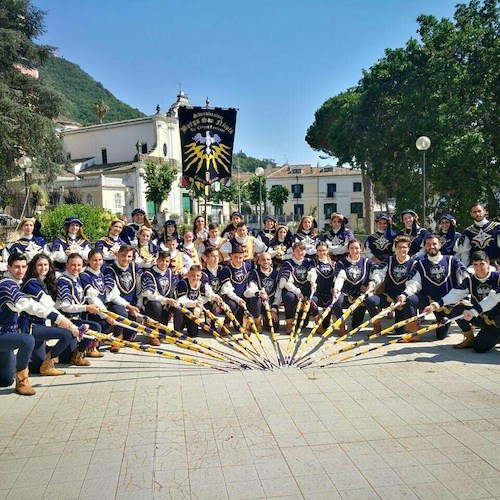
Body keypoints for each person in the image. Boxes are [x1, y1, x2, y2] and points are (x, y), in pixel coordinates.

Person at [0, 253, 78, 395]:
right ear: (8, 268)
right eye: (17, 267)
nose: (21, 270)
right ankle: (22, 382)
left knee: (5, 380)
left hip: (8, 337)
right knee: (27, 340)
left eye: (23, 267)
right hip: (5, 334)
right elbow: (29, 305)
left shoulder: (16, 284)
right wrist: (59, 319)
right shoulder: (7, 285)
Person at [423, 250, 500, 352]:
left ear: (488, 263)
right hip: (483, 317)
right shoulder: (470, 280)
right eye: (475, 264)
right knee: (458, 310)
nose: (479, 268)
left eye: (482, 264)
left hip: (496, 317)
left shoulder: (498, 278)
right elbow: (455, 294)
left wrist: (473, 311)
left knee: (481, 345)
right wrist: (435, 305)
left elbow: (492, 299)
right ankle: (469, 338)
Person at [397, 234, 468, 341]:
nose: (432, 247)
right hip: (428, 302)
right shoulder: (420, 264)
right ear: (425, 247)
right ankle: (413, 334)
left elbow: (464, 280)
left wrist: (464, 299)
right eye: (428, 244)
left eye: (434, 244)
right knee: (409, 299)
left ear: (440, 245)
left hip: (447, 305)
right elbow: (414, 283)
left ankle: (466, 335)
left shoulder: (452, 260)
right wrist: (404, 294)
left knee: (440, 336)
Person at [20, 253, 80, 374]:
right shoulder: (32, 283)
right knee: (68, 334)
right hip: (31, 327)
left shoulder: (43, 282)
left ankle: (42, 359)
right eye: (40, 265)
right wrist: (67, 323)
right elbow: (48, 306)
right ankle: (48, 363)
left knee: (37, 368)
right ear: (34, 267)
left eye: (46, 264)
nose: (43, 268)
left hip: (40, 326)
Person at [56, 253, 102, 365]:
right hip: (66, 321)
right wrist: (86, 307)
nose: (76, 268)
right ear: (66, 265)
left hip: (76, 317)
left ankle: (79, 354)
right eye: (73, 265)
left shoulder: (77, 278)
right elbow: (65, 307)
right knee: (95, 327)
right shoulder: (63, 281)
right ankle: (68, 355)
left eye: (79, 265)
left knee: (96, 325)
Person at [365, 236, 416, 334]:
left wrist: (404, 295)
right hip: (389, 297)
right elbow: (379, 273)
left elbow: (413, 283)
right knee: (370, 300)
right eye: (399, 247)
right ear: (395, 248)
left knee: (400, 331)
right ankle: (376, 326)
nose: (401, 250)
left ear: (408, 248)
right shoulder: (389, 260)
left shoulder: (414, 263)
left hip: (403, 300)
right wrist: (373, 283)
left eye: (404, 247)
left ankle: (411, 328)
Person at [333, 238, 376, 335]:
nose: (354, 251)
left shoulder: (367, 262)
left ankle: (376, 326)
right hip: (346, 294)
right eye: (351, 248)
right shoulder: (341, 263)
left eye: (357, 248)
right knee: (337, 300)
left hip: (360, 296)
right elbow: (339, 277)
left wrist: (370, 286)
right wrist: (336, 290)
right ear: (348, 249)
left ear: (361, 249)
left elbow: (376, 274)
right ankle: (341, 326)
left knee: (356, 327)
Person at [103, 245, 142, 352]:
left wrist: (138, 305)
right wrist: (128, 306)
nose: (126, 259)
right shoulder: (109, 270)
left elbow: (140, 289)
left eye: (129, 256)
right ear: (118, 254)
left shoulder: (135, 267)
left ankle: (122, 333)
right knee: (123, 315)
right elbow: (112, 296)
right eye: (123, 256)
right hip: (116, 304)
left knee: (129, 336)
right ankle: (116, 336)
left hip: (132, 304)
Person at [278, 241, 318, 334]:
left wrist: (313, 283)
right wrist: (296, 291)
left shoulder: (310, 262)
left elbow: (312, 273)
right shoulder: (288, 264)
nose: (300, 253)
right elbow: (286, 283)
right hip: (292, 290)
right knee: (289, 297)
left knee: (314, 300)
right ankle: (289, 323)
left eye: (302, 250)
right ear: (293, 251)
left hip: (306, 290)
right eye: (297, 251)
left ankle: (317, 324)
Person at [174, 265, 223, 337]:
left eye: (198, 276)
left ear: (200, 276)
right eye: (193, 275)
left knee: (193, 333)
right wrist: (194, 303)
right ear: (188, 274)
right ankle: (179, 327)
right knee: (179, 310)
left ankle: (210, 324)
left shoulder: (202, 283)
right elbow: (179, 301)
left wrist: (215, 297)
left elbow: (208, 292)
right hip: (185, 308)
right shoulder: (183, 284)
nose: (195, 278)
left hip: (195, 307)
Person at [140, 251, 176, 346]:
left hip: (165, 304)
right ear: (157, 260)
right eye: (162, 260)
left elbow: (172, 288)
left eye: (167, 261)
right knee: (156, 305)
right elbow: (149, 295)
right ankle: (152, 335)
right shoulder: (148, 274)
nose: (164, 264)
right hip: (151, 304)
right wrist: (166, 300)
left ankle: (178, 330)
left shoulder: (169, 272)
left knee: (177, 308)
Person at [244, 252, 280, 331]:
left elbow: (278, 293)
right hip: (258, 304)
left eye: (268, 259)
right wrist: (259, 292)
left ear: (271, 261)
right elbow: (251, 288)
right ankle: (257, 321)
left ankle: (267, 319)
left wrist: (274, 309)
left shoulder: (276, 274)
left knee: (274, 327)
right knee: (255, 298)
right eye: (263, 260)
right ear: (259, 261)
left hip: (270, 304)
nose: (266, 262)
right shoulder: (254, 273)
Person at [219, 245, 251, 330]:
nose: (238, 260)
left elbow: (249, 283)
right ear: (231, 256)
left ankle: (249, 324)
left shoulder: (247, 266)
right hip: (230, 296)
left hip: (243, 295)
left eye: (240, 257)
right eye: (235, 257)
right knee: (233, 306)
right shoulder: (226, 270)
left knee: (238, 327)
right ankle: (226, 325)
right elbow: (228, 290)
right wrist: (237, 299)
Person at [313, 241, 337, 332]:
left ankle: (327, 319)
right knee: (312, 300)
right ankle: (317, 322)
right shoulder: (313, 263)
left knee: (326, 325)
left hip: (329, 295)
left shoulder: (334, 264)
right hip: (317, 294)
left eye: (323, 250)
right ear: (316, 251)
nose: (321, 253)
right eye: (319, 250)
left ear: (327, 251)